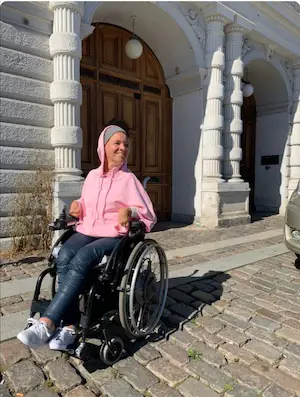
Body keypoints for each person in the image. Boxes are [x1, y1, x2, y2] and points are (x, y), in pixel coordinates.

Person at [17, 121, 157, 350]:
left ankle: (47, 322)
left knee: (83, 257)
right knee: (62, 257)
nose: (123, 148)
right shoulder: (92, 176)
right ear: (104, 146)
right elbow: (88, 203)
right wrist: (78, 206)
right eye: (117, 143)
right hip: (87, 229)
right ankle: (71, 327)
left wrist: (130, 211)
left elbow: (148, 214)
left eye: (126, 144)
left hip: (113, 235)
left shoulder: (129, 179)